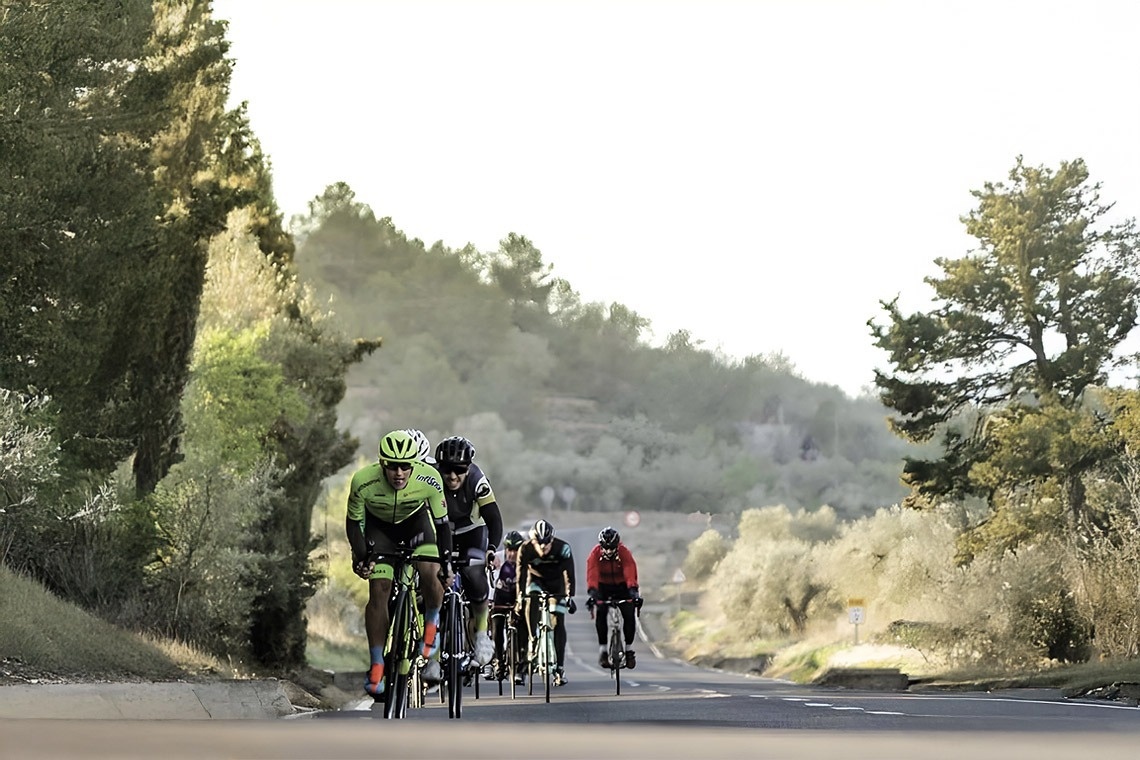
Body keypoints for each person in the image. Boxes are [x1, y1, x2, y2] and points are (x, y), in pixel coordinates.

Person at [346, 430, 452, 698]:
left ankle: (430, 624)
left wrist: (447, 565)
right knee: (379, 588)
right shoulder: (363, 481)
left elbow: (442, 526)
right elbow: (353, 524)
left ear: (415, 464)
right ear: (382, 464)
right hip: (378, 532)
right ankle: (377, 663)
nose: (399, 473)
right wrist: (361, 557)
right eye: (392, 466)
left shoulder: (430, 479)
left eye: (405, 466)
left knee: (432, 571)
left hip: (416, 527)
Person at [433, 435, 503, 669]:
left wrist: (492, 549)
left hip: (471, 532)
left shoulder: (477, 480)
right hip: (440, 533)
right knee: (429, 576)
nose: (452, 476)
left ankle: (482, 635)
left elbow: (493, 519)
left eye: (459, 470)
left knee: (474, 572)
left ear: (469, 467)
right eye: (446, 470)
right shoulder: (430, 479)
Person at [514, 518, 576, 686]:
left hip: (557, 585)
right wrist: (519, 597)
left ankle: (560, 669)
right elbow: (521, 576)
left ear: (552, 540)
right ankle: (532, 638)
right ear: (533, 541)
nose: (543, 548)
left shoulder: (563, 548)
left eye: (546, 544)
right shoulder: (525, 549)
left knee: (557, 621)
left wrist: (570, 596)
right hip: (536, 582)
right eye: (539, 544)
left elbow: (569, 574)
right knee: (530, 600)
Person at [586, 526, 641, 669]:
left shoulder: (624, 552)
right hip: (603, 586)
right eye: (606, 548)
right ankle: (603, 651)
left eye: (612, 548)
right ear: (601, 546)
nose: (609, 551)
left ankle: (629, 651)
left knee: (629, 614)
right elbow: (592, 574)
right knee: (601, 612)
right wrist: (593, 592)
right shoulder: (594, 554)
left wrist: (633, 591)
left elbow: (630, 571)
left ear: (617, 546)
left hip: (623, 586)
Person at [489, 529, 527, 684]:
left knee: (523, 627)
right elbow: (489, 582)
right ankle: (499, 661)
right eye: (509, 550)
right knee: (497, 628)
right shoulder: (497, 560)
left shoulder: (526, 561)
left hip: (517, 599)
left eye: (515, 550)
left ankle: (520, 666)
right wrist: (489, 601)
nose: (512, 554)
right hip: (499, 599)